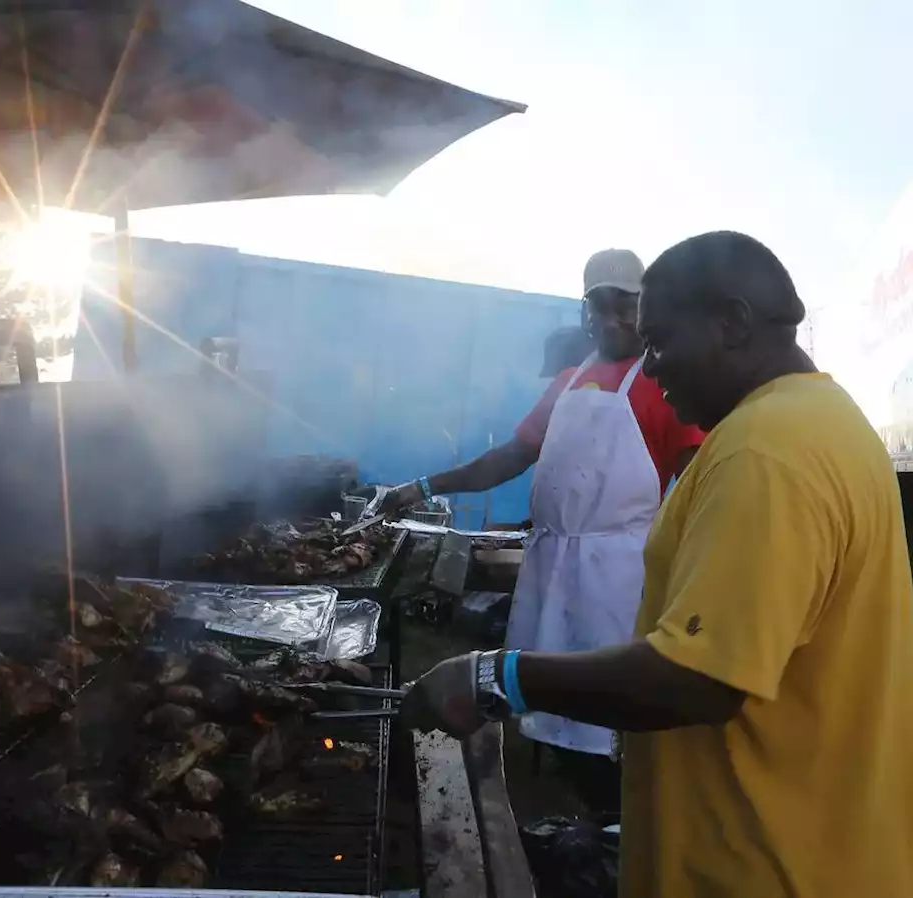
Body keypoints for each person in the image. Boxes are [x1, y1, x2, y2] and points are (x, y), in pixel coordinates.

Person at [402, 231, 912, 898]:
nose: (653, 364)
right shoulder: (822, 418)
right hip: (803, 832)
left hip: (765, 863)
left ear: (731, 322)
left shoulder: (766, 452)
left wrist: (495, 678)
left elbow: (698, 678)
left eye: (661, 341)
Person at [381, 249, 705, 811]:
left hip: (618, 575)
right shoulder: (568, 381)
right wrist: (421, 488)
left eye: (624, 308)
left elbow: (699, 480)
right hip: (552, 566)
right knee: (546, 697)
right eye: (599, 308)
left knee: (608, 714)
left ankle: (612, 822)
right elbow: (508, 458)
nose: (611, 322)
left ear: (645, 309)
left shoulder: (661, 385)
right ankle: (580, 803)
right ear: (584, 311)